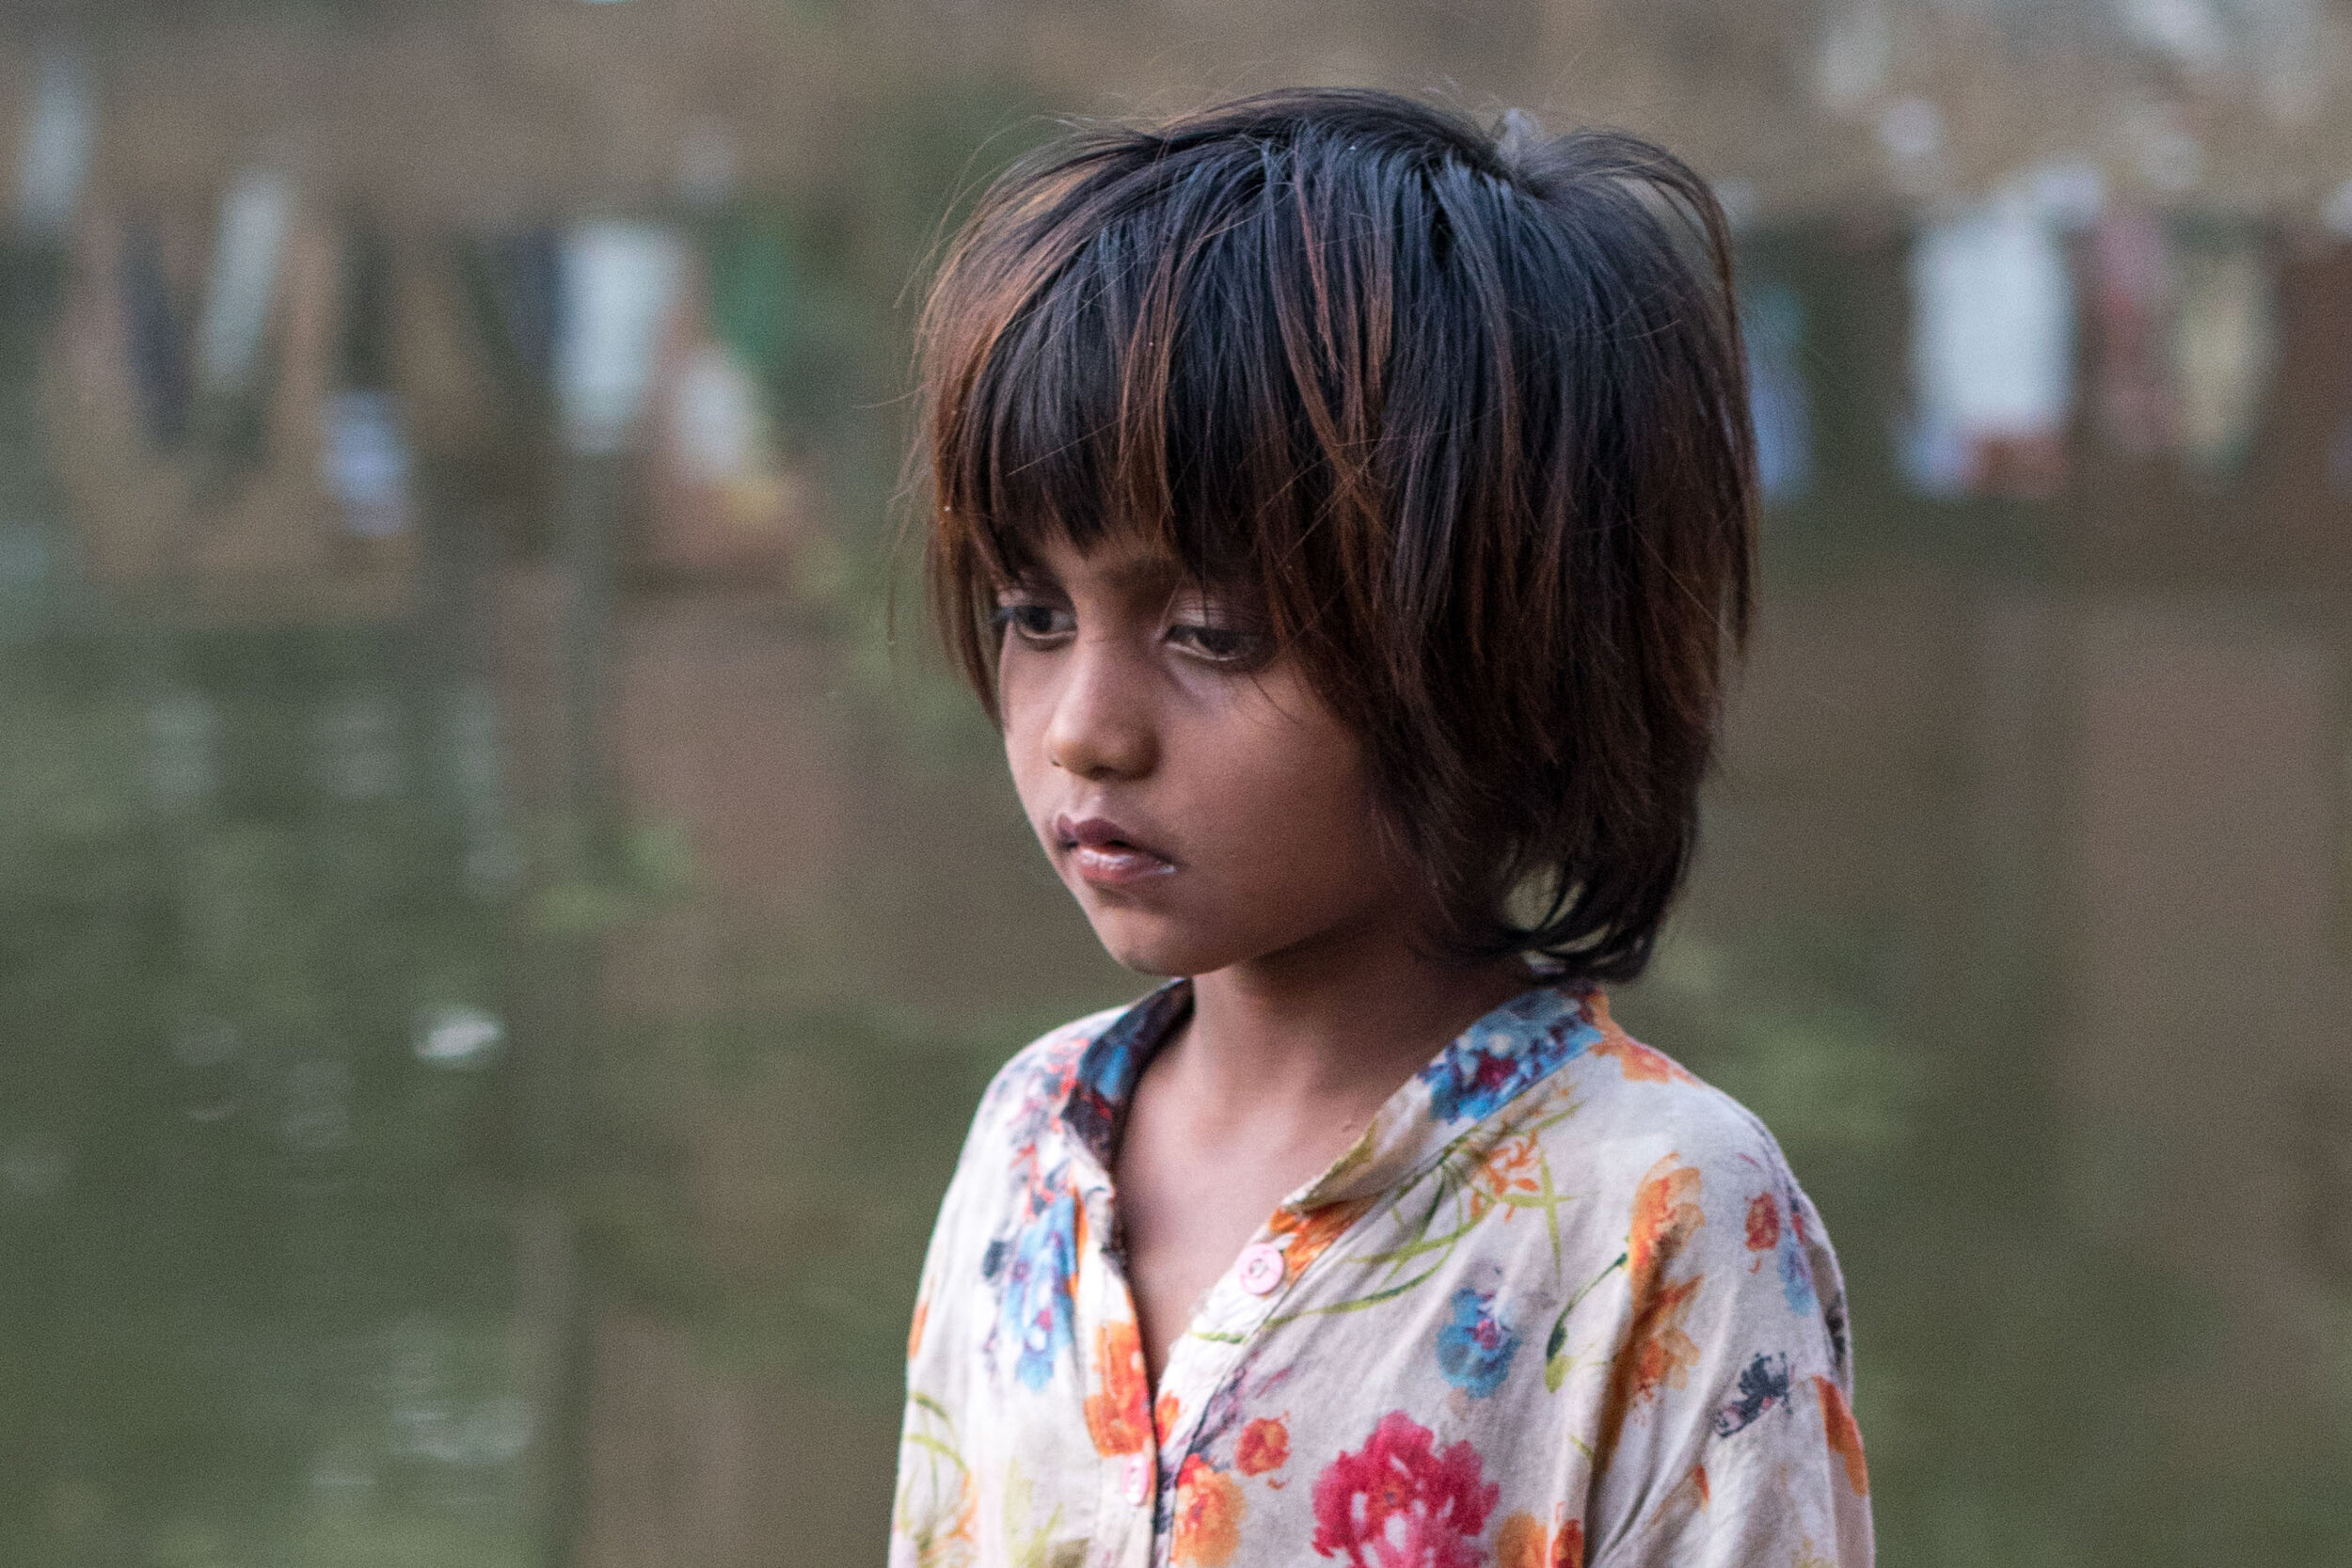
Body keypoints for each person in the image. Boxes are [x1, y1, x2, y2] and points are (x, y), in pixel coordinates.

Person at [890, 88, 1871, 1568]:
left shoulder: (1660, 1212)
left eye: (1210, 633)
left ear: (1506, 649)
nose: (1084, 727)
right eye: (1034, 614)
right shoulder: (1034, 1142)